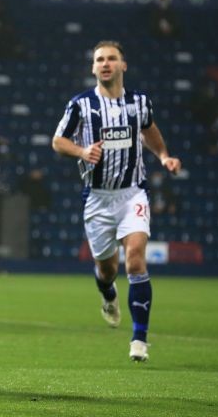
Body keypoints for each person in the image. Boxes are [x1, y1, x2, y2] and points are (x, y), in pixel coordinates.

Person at [52, 40, 182, 363]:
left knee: (135, 259)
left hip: (132, 194)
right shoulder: (81, 105)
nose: (106, 63)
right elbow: (58, 141)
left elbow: (149, 131)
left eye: (112, 58)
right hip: (97, 199)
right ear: (93, 68)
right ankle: (108, 294)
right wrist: (82, 152)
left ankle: (139, 339)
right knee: (107, 269)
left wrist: (164, 155)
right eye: (100, 59)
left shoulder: (139, 102)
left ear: (123, 65)